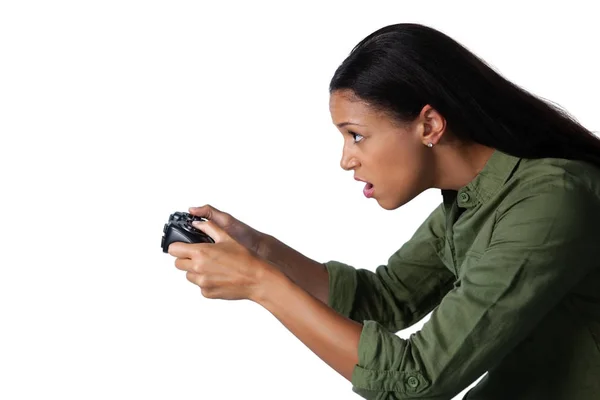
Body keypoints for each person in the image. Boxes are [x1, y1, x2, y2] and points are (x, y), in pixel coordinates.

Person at [166, 23, 600, 399]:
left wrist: (261, 284)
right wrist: (260, 249)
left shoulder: (549, 201)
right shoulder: (473, 198)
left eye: (356, 135)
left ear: (429, 125)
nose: (346, 159)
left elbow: (421, 379)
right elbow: (387, 299)